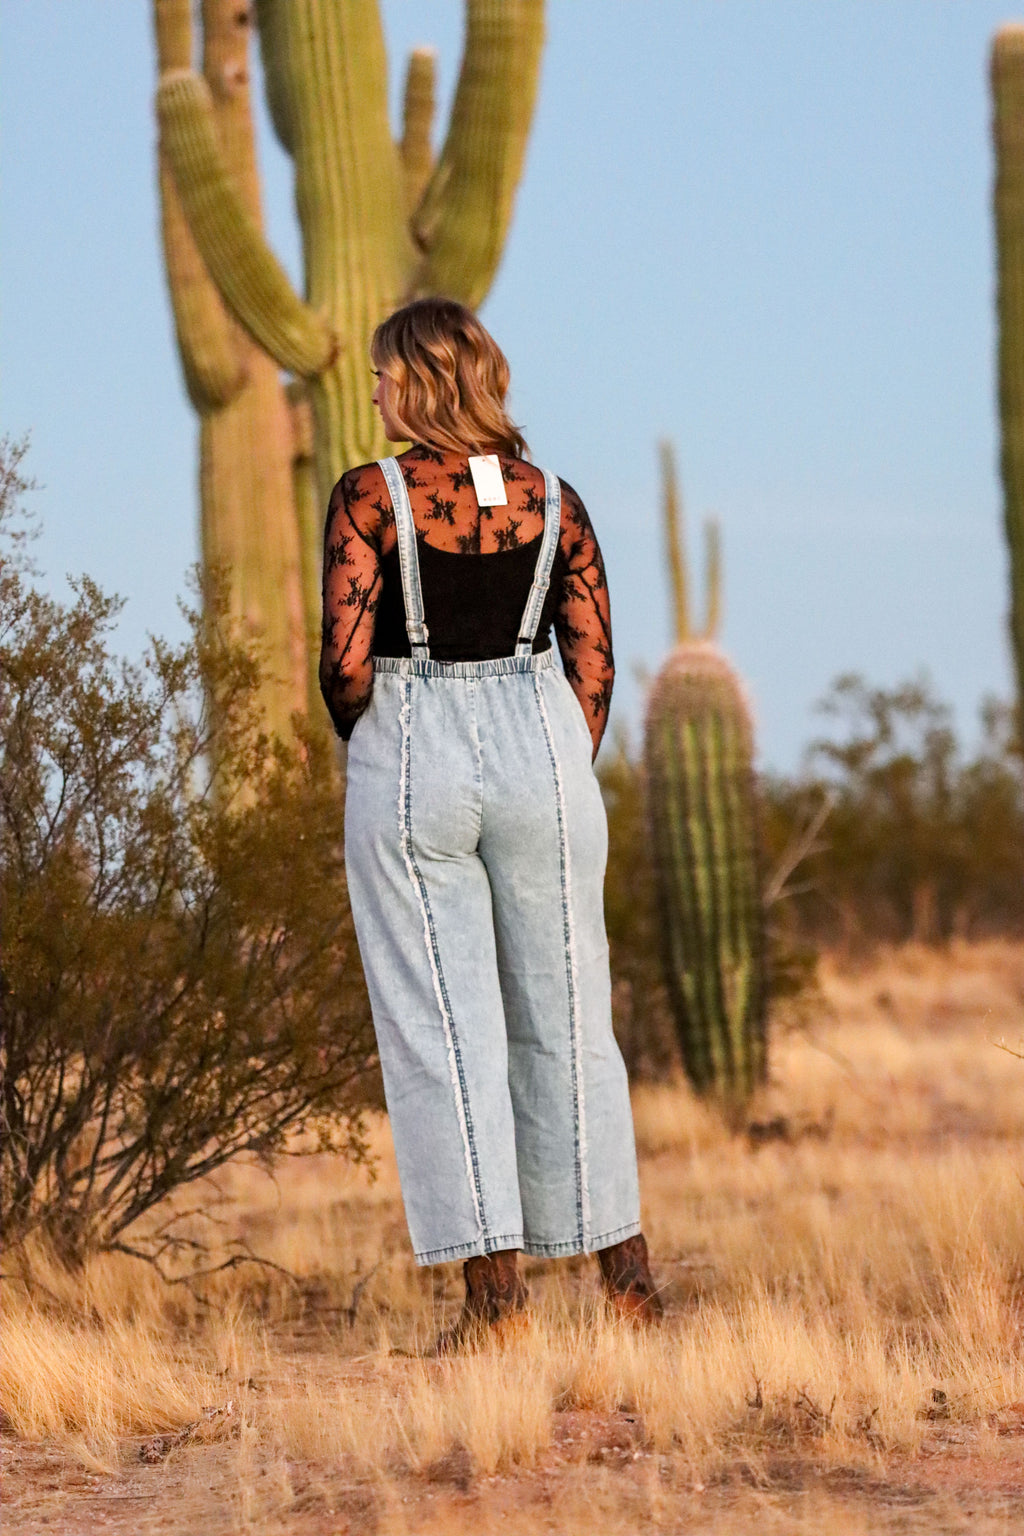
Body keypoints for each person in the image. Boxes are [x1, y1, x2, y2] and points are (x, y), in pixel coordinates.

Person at [319, 297, 661, 1349]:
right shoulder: (554, 500)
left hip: (413, 737)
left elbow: (341, 659)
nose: (372, 389)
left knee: (442, 1028)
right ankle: (628, 1283)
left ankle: (496, 1306)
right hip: (543, 748)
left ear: (419, 381)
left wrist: (381, 748)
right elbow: (593, 655)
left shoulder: (369, 498)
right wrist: (554, 753)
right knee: (567, 1011)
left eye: (383, 372)